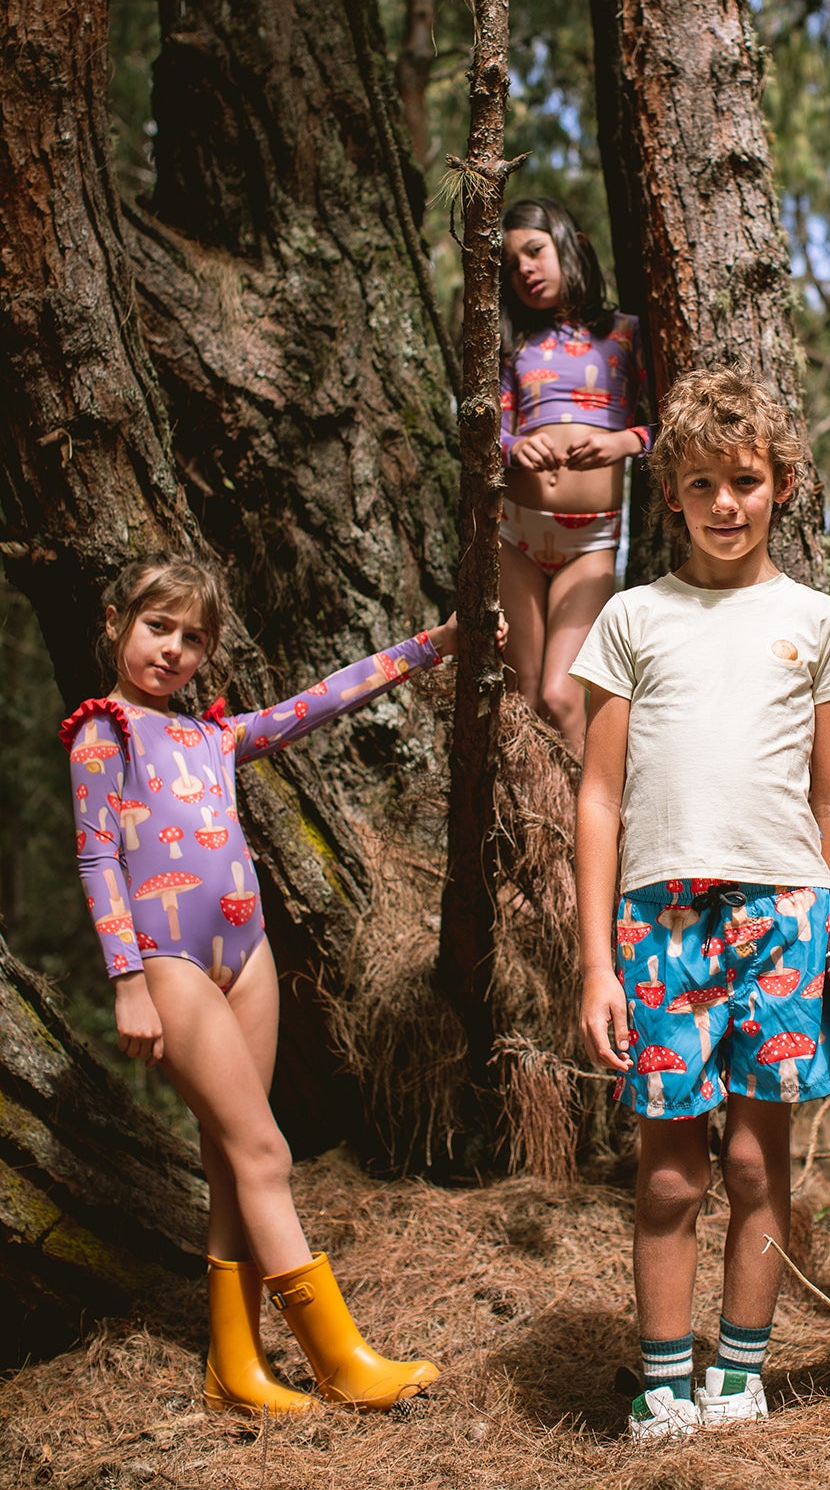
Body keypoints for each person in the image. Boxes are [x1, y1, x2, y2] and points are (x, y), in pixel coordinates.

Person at [62, 553, 478, 1416]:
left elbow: (319, 702)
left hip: (245, 954)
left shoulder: (212, 737)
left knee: (231, 1158)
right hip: (169, 960)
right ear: (115, 624)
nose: (173, 650)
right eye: (157, 627)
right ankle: (339, 1361)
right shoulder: (104, 733)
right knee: (266, 1153)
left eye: (192, 638)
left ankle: (236, 1367)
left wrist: (435, 644)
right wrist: (128, 983)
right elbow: (98, 857)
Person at [571, 368, 830, 1441]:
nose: (725, 504)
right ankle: (664, 1380)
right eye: (701, 484)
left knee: (753, 1160)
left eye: (744, 480)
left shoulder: (819, 622)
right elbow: (599, 795)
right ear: (672, 497)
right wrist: (597, 963)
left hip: (783, 913)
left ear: (781, 484)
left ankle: (738, 1374)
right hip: (659, 921)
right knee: (669, 1173)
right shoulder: (632, 617)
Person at [499, 197, 652, 751]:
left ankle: (582, 811)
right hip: (515, 534)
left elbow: (671, 427)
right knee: (519, 698)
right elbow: (490, 432)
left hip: (589, 542)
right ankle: (523, 809)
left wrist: (623, 441)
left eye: (535, 251)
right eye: (512, 264)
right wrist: (515, 447)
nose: (525, 269)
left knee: (562, 698)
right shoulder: (514, 344)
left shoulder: (627, 333)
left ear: (572, 246)